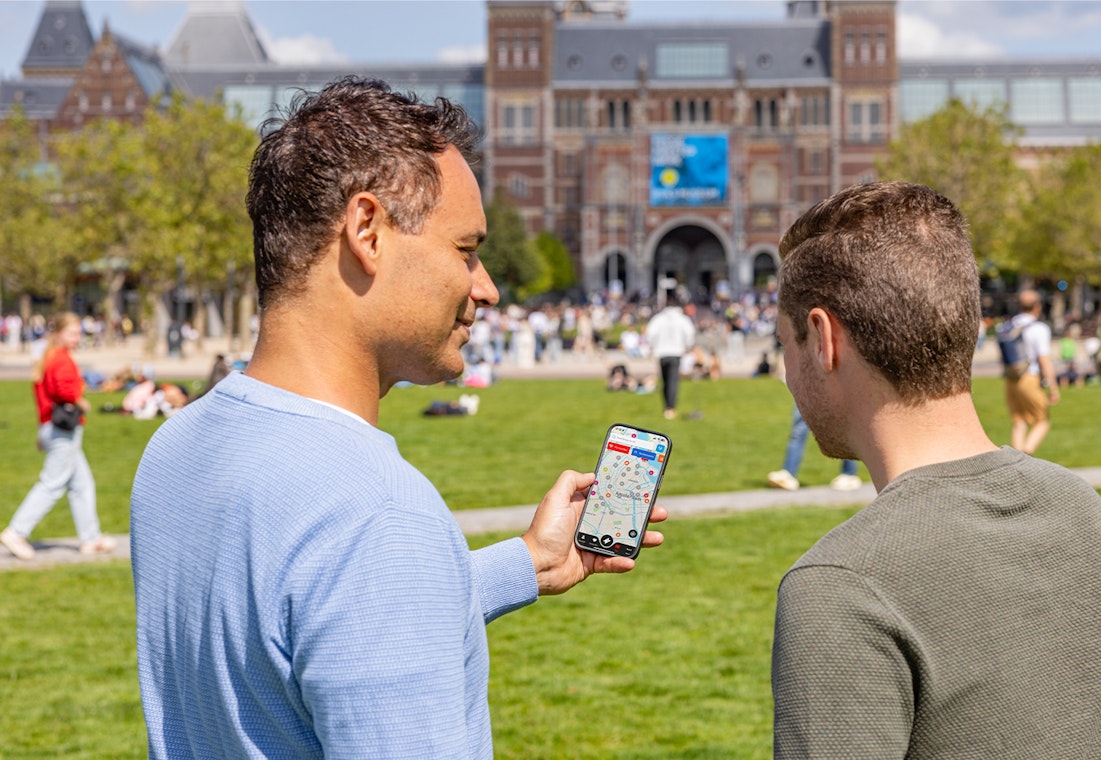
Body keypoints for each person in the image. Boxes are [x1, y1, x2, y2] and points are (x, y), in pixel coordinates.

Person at [129, 78, 667, 759]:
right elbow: (357, 586)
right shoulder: (377, 514)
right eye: (466, 251)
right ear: (366, 232)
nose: (487, 289)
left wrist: (529, 562)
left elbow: (311, 627)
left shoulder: (179, 443)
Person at [771, 182, 1101, 758]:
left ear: (823, 339)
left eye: (784, 345)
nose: (786, 374)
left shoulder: (842, 587)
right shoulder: (1095, 518)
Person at [1, 312, 115, 561]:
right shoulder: (60, 358)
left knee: (82, 484)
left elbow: (44, 396)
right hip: (62, 430)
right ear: (59, 333)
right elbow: (61, 389)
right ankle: (16, 531)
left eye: (78, 333)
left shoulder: (48, 357)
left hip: (53, 427)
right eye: (72, 333)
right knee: (52, 484)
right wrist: (80, 401)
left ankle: (91, 538)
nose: (77, 338)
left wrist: (42, 431)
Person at [1001, 289, 1059, 454]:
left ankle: (1015, 461)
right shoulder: (1039, 328)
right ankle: (1026, 455)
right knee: (1042, 421)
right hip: (1030, 377)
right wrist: (1053, 388)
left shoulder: (1008, 326)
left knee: (1019, 422)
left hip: (1011, 379)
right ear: (1037, 307)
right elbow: (1044, 360)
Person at [766, 406, 862, 491]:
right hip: (807, 389)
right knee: (798, 431)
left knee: (841, 429)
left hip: (834, 388)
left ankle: (849, 474)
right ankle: (788, 474)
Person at [645, 290, 696, 419]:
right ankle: (671, 407)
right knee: (673, 380)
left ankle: (667, 406)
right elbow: (690, 334)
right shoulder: (682, 319)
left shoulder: (659, 318)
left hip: (662, 353)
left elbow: (650, 334)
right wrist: (688, 346)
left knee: (665, 380)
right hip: (676, 352)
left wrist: (653, 346)